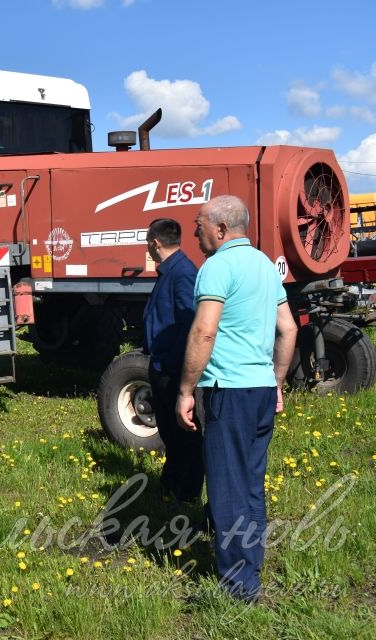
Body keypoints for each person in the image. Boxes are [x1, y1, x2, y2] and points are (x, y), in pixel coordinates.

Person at [176, 195, 298, 603]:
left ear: (221, 229)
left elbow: (204, 332)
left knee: (227, 489)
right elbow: (288, 329)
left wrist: (185, 390)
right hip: (261, 389)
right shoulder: (265, 264)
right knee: (250, 484)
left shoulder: (217, 267)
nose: (195, 232)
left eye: (199, 225)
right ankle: (251, 566)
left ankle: (238, 588)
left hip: (227, 389)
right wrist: (277, 382)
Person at [143, 218, 203, 504]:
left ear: (155, 243)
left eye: (147, 242)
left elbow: (190, 322)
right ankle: (171, 483)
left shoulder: (182, 274)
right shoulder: (170, 271)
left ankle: (186, 491)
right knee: (169, 430)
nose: (147, 248)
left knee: (183, 433)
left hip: (172, 366)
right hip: (162, 364)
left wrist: (171, 362)